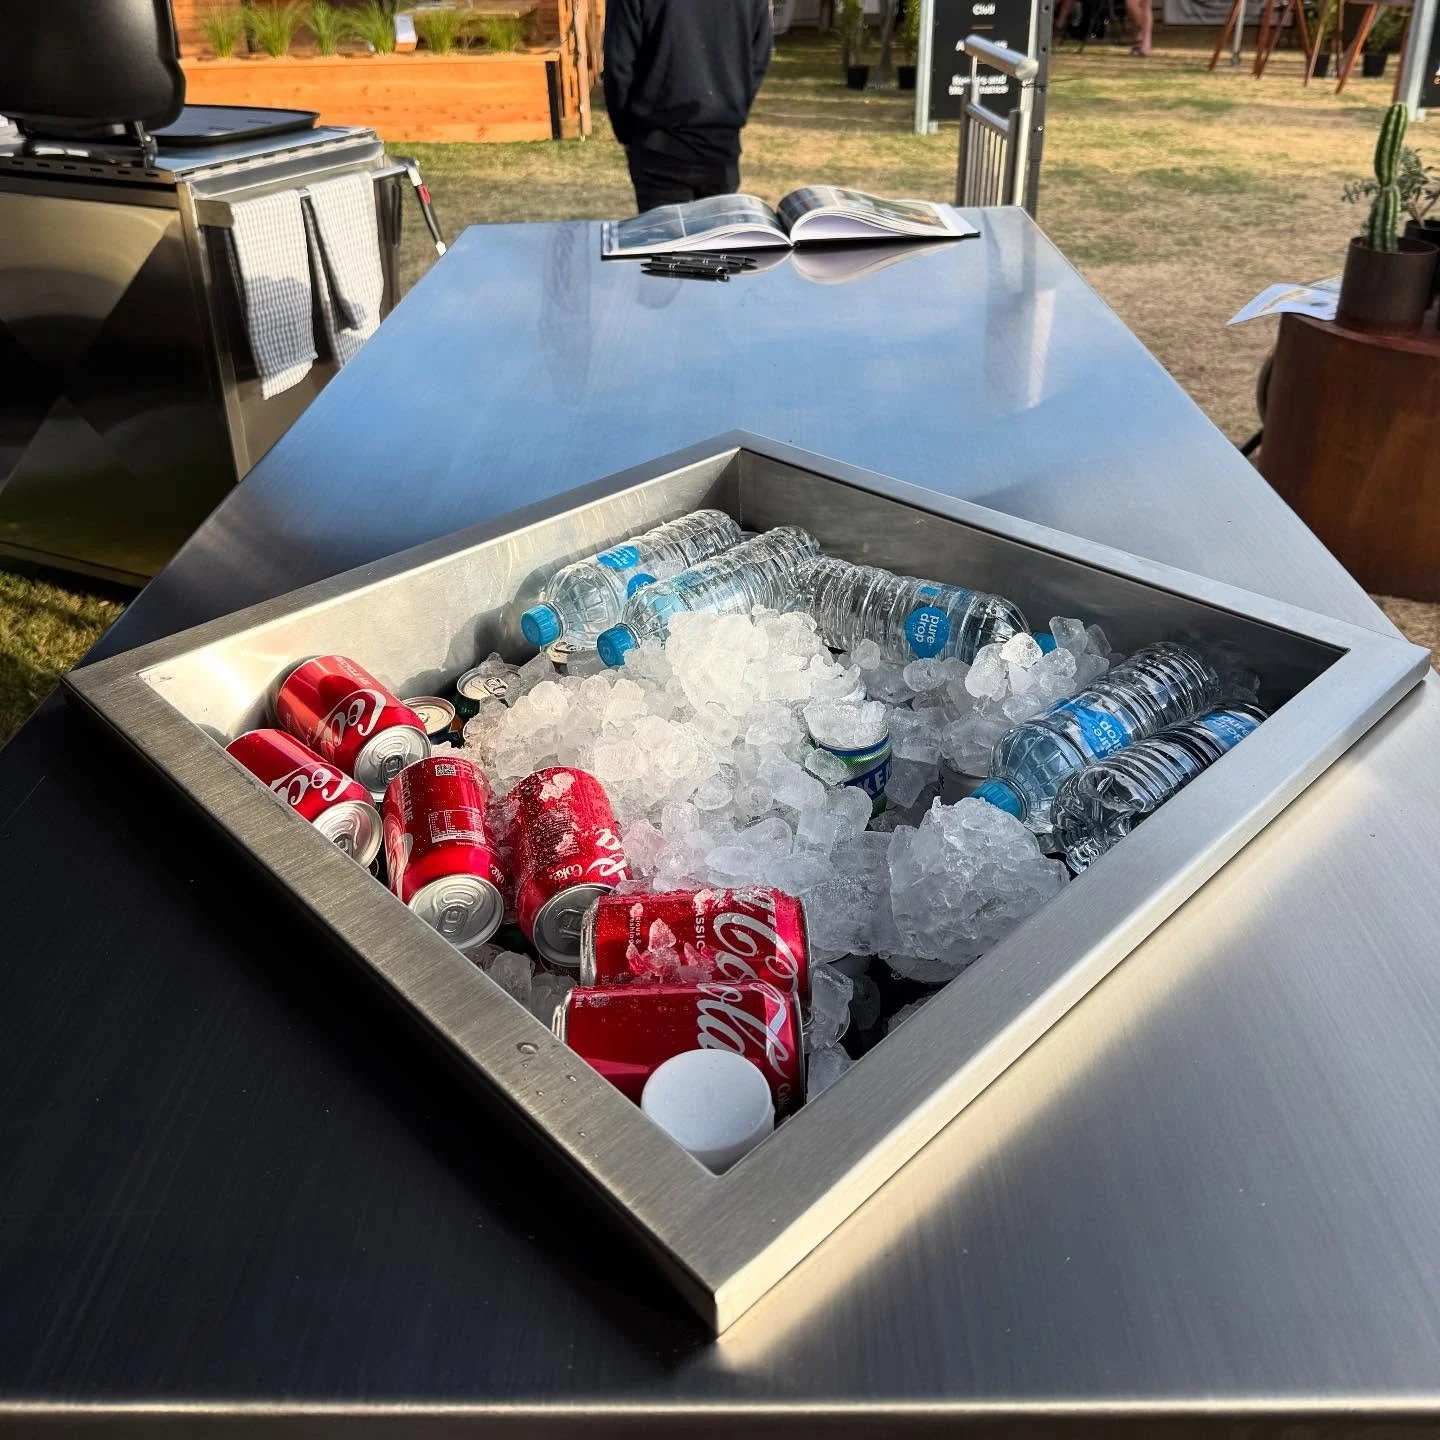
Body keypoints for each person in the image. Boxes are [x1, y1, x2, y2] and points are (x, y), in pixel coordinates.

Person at [603, 0, 774, 214]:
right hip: (712, 137)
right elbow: (759, 57)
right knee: (715, 232)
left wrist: (626, 132)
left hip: (660, 144)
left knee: (670, 234)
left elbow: (618, 65)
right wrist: (733, 107)